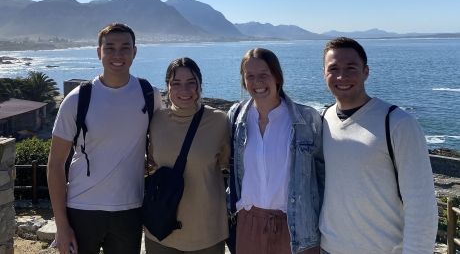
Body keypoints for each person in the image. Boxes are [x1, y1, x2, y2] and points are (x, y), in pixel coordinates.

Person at [47, 23, 162, 254]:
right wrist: (61, 225)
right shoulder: (77, 99)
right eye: (109, 48)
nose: (117, 55)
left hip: (130, 210)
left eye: (125, 48)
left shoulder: (150, 95)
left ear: (135, 52)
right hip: (81, 209)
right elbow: (55, 163)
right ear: (99, 51)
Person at [319, 37, 438, 254]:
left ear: (366, 71)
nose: (341, 76)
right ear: (323, 74)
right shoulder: (323, 119)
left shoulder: (398, 123)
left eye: (351, 68)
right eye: (333, 68)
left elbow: (421, 205)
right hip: (328, 248)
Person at [228, 48, 324, 254]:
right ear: (244, 81)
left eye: (264, 74)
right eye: (250, 76)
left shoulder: (307, 120)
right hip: (249, 224)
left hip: (296, 227)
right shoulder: (236, 118)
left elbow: (322, 176)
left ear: (277, 77)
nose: (257, 82)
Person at [144, 57, 230, 254]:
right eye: (176, 83)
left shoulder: (219, 121)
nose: (184, 90)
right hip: (160, 231)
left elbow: (230, 164)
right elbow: (150, 163)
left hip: (207, 233)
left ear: (200, 85)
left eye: (191, 83)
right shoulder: (156, 121)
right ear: (168, 87)